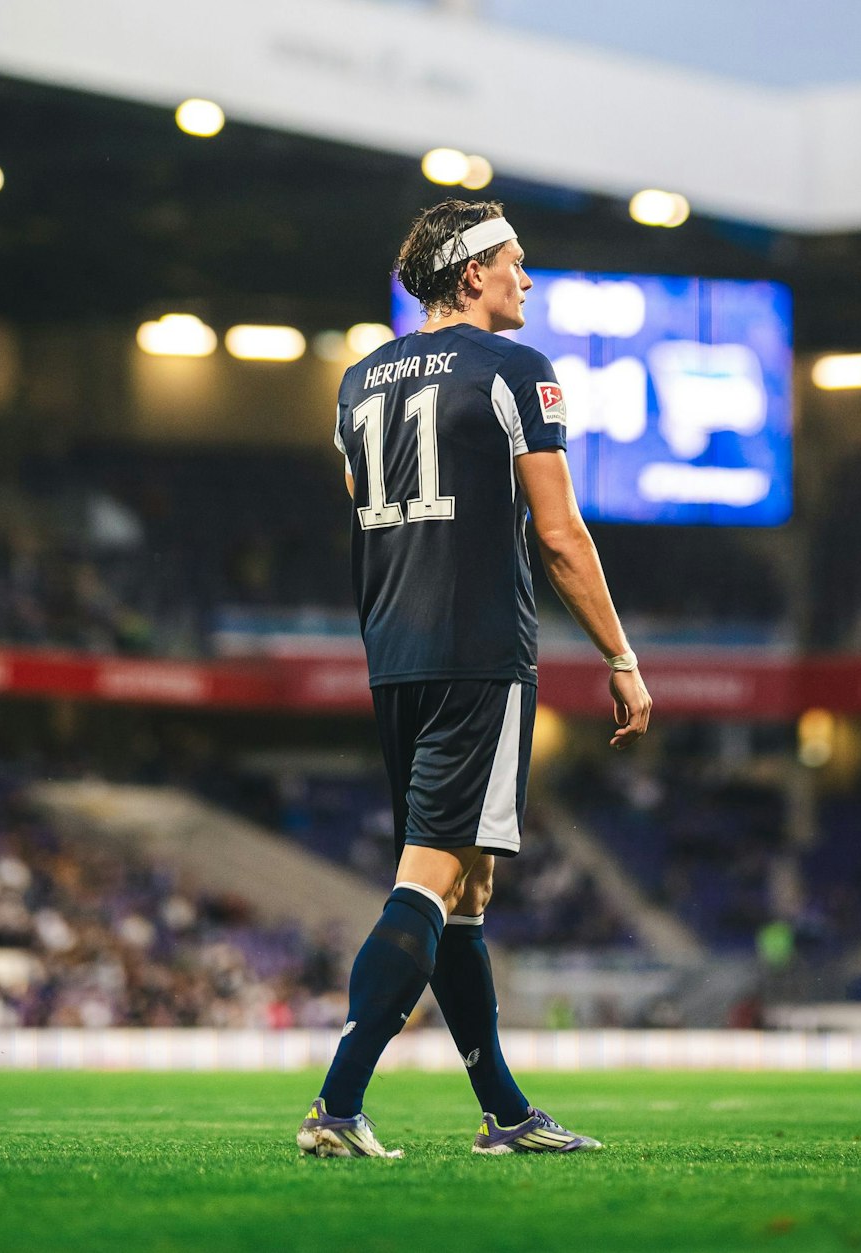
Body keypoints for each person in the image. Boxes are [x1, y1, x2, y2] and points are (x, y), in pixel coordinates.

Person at [297, 200, 652, 1158]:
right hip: (478, 652)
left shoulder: (357, 382)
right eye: (515, 263)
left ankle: (506, 1112)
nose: (526, 279)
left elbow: (366, 505)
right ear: (471, 274)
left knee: (467, 888)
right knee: (431, 878)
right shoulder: (516, 370)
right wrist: (621, 658)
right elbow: (560, 534)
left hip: (394, 655)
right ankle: (338, 1102)